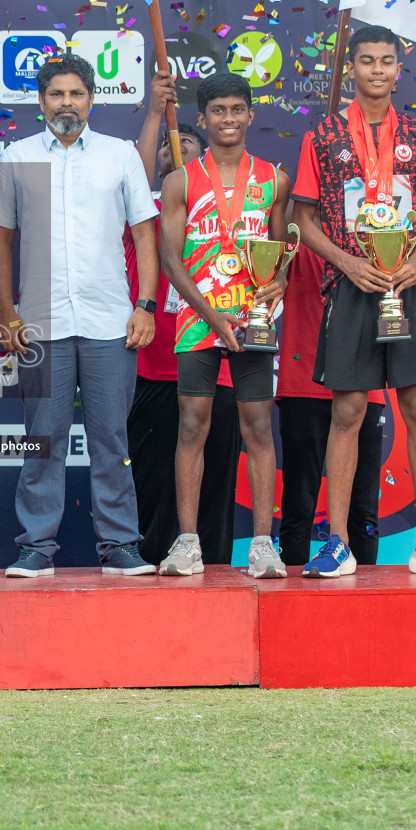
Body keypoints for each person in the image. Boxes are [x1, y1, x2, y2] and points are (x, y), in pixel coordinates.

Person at [291, 24, 416, 577]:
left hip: (407, 288)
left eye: (387, 62)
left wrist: (414, 264)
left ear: (398, 70)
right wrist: (347, 263)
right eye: (368, 62)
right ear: (353, 69)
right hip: (354, 287)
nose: (378, 71)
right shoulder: (323, 136)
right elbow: (303, 219)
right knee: (349, 409)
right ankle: (336, 541)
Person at [0, 52, 159, 578]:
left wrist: (146, 304)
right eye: (57, 94)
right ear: (41, 102)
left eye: (77, 93)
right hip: (40, 325)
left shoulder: (120, 155)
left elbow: (144, 235)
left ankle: (120, 546)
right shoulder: (17, 156)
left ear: (92, 99)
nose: (67, 102)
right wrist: (8, 314)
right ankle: (36, 547)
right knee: (43, 441)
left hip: (111, 322)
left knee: (112, 440)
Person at [157, 73, 291, 579]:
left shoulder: (273, 181)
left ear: (251, 114)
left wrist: (277, 280)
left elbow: (282, 252)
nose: (229, 119)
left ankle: (262, 545)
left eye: (238, 109)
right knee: (192, 422)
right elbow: (171, 258)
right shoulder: (180, 181)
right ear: (205, 116)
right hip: (198, 317)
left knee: (257, 425)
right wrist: (211, 315)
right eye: (219, 111)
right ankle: (187, 542)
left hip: (254, 317)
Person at [126, 75, 243, 566]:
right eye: (171, 145)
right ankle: (152, 560)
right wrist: (155, 113)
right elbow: (135, 170)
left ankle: (213, 565)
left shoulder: (229, 206)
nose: (178, 151)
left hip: (218, 359)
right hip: (155, 367)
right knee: (153, 479)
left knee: (216, 478)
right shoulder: (144, 208)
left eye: (188, 143)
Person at [274, 245, 388, 567]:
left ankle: (365, 609)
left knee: (363, 514)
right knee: (298, 507)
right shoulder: (297, 231)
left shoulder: (372, 229)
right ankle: (291, 609)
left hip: (363, 383)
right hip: (303, 379)